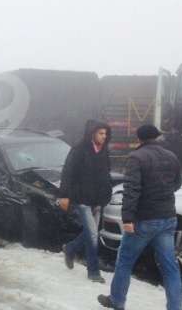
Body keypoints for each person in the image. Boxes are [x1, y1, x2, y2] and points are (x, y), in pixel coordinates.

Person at [99, 124, 182, 310]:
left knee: (125, 261)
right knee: (170, 267)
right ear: (157, 137)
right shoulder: (171, 156)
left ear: (139, 139)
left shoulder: (136, 157)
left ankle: (116, 301)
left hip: (144, 220)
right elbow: (177, 184)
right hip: (168, 218)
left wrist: (127, 219)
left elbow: (131, 190)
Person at [58, 119, 113, 283]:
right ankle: (93, 271)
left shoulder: (104, 151)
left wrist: (107, 190)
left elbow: (106, 173)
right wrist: (64, 195)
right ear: (92, 133)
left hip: (97, 199)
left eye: (106, 134)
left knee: (91, 233)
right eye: (101, 133)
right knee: (93, 235)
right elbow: (67, 172)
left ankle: (70, 248)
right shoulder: (79, 149)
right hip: (81, 197)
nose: (104, 136)